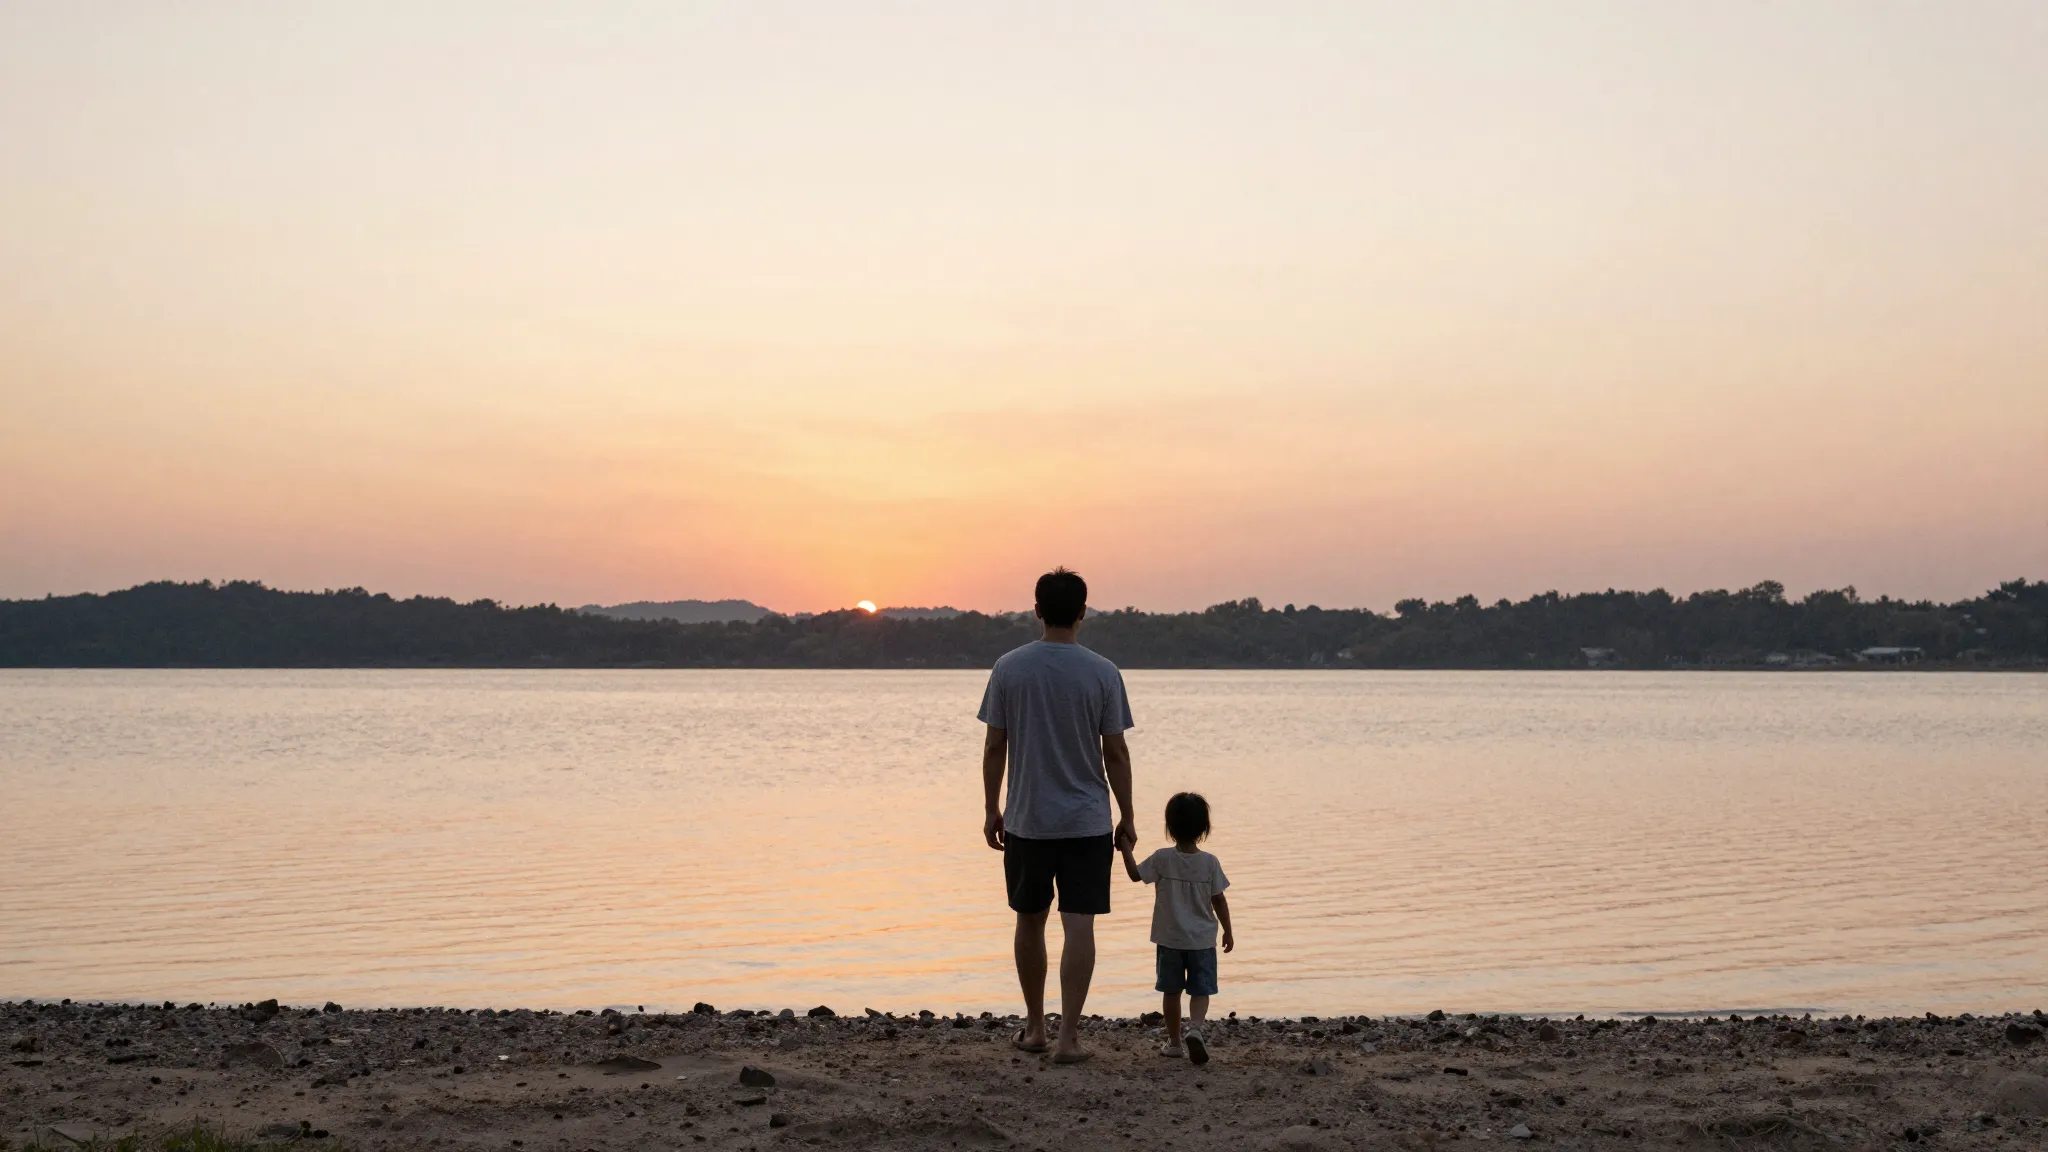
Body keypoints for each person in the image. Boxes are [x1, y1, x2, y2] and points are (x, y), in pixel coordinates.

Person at [979, 567, 1137, 1065]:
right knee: (1079, 926)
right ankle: (1068, 1038)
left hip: (1028, 819)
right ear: (1083, 612)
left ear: (1037, 610)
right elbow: (1116, 752)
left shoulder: (1009, 668)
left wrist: (992, 808)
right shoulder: (1103, 672)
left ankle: (1035, 1028)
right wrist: (1127, 815)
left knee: (1029, 921)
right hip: (1087, 821)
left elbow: (995, 745)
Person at [1120, 791, 1233, 1066]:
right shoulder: (1210, 863)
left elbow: (1135, 875)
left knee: (1171, 991)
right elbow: (1219, 899)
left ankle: (1173, 1043)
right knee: (1200, 989)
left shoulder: (1162, 859)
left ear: (1169, 828)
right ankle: (1195, 1029)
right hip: (1202, 940)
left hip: (1169, 939)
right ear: (1204, 829)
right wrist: (1228, 930)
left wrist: (1124, 847)